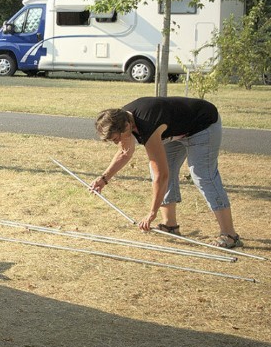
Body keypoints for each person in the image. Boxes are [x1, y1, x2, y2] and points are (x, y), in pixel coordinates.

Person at [92, 97, 240, 248]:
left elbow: (161, 176)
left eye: (117, 138)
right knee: (162, 166)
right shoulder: (122, 119)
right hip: (176, 129)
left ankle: (229, 234)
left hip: (202, 124)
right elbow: (124, 152)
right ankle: (170, 225)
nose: (117, 143)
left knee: (202, 175)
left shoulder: (147, 124)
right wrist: (104, 179)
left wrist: (151, 213)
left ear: (127, 125)